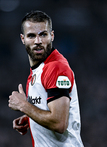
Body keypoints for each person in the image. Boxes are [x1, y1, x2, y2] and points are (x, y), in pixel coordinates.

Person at [8, 10, 84, 147]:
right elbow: (50, 110)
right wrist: (31, 118)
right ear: (22, 39)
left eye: (43, 35)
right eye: (31, 36)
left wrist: (23, 106)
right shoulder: (38, 70)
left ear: (52, 35)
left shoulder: (56, 67)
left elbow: (59, 123)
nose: (38, 41)